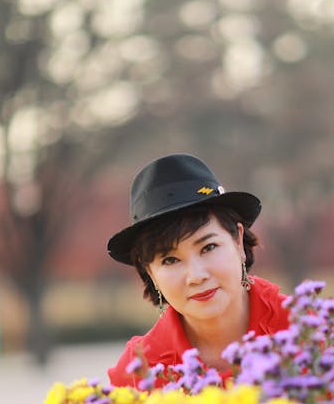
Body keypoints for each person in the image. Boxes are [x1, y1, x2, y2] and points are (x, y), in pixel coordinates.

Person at [107, 153, 290, 388]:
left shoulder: (308, 331)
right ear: (150, 272)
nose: (196, 276)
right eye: (170, 260)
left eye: (209, 247)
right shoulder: (139, 370)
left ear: (238, 241)